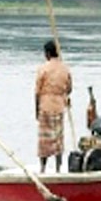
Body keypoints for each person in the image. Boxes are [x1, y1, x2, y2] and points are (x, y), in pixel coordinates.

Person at [35, 40, 73, 173]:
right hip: (59, 106)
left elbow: (37, 92)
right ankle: (58, 167)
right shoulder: (65, 68)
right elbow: (69, 88)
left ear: (47, 53)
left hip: (45, 105)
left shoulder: (43, 68)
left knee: (44, 139)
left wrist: (36, 110)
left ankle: (43, 168)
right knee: (58, 139)